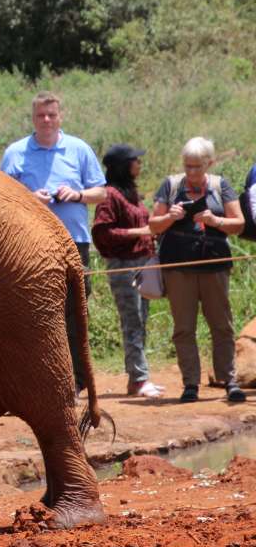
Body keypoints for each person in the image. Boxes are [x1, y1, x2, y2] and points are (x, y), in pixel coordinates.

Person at [0, 92, 105, 393]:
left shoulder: (78, 149)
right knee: (33, 311)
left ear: (60, 116)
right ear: (32, 118)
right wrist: (28, 198)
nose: (46, 120)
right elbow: (0, 198)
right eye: (41, 115)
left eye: (51, 114)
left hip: (74, 242)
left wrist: (79, 195)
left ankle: (76, 381)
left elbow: (102, 192)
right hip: (29, 244)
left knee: (76, 309)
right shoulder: (16, 153)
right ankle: (37, 381)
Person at [149, 137, 246, 403]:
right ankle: (190, 383)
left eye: (197, 167)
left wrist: (215, 220)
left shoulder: (219, 185)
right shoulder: (170, 185)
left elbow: (238, 223)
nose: (191, 172)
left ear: (209, 163)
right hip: (178, 268)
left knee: (221, 325)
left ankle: (229, 380)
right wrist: (170, 216)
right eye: (187, 166)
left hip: (214, 266)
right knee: (184, 327)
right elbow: (153, 225)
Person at [92, 144, 162, 399]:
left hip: (142, 264)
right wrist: (139, 233)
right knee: (132, 322)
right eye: (135, 161)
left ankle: (137, 379)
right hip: (124, 267)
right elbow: (101, 232)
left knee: (141, 322)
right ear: (124, 165)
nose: (139, 165)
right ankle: (140, 378)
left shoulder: (131, 193)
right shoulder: (110, 195)